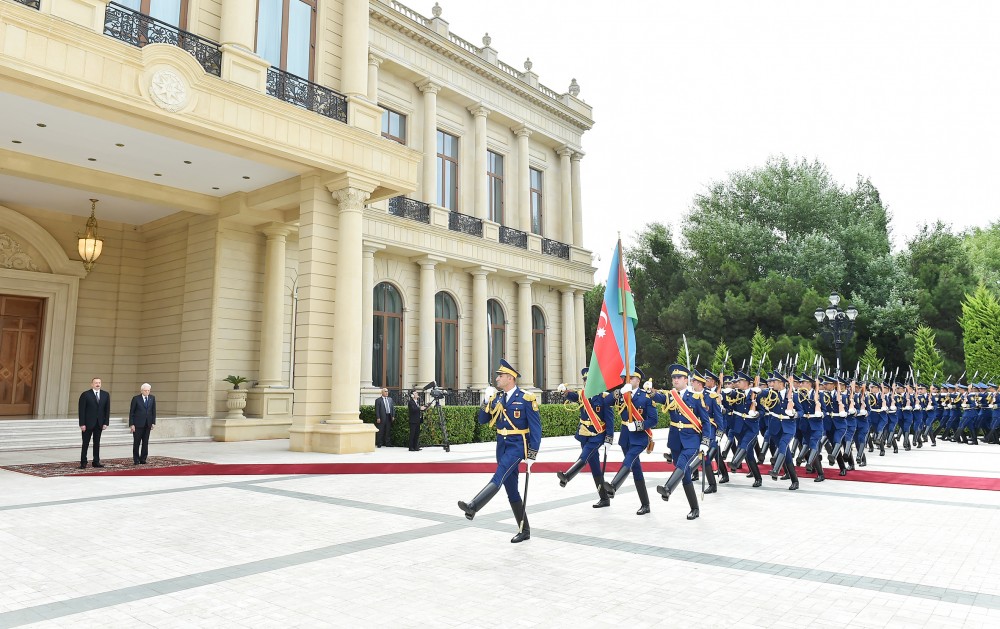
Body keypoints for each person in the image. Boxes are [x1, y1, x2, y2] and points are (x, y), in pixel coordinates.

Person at [458, 359, 542, 543]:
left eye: (500, 375)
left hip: (517, 446)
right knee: (511, 490)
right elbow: (482, 420)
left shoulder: (526, 398)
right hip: (501, 446)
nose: (497, 378)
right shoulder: (497, 398)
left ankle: (474, 505)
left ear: (511, 378)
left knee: (499, 474)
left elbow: (536, 428)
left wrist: (533, 453)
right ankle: (524, 530)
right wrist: (485, 400)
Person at [654, 364, 709, 519]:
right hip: (676, 441)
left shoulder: (696, 398)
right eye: (673, 378)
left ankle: (668, 488)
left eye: (679, 377)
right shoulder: (670, 396)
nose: (675, 380)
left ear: (686, 380)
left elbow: (706, 422)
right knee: (684, 474)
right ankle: (695, 508)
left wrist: (705, 441)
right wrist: (648, 390)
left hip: (691, 440)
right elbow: (656, 397)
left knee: (682, 464)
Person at [602, 367, 658, 515]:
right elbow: (605, 402)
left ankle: (614, 485)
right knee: (637, 470)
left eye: (630, 378)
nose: (626, 381)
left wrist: (639, 425)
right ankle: (645, 504)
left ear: (637, 380)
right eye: (625, 379)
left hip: (640, 437)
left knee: (629, 459)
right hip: (626, 437)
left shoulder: (645, 397)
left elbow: (654, 420)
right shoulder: (622, 394)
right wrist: (620, 391)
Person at [557, 367, 616, 508]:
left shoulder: (603, 397)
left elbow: (610, 419)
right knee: (595, 468)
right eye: (584, 380)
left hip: (597, 435)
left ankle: (567, 476)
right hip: (584, 435)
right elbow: (572, 396)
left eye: (589, 380)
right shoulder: (582, 395)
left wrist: (609, 438)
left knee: (584, 457)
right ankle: (604, 499)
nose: (586, 382)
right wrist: (564, 392)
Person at [78, 377, 110, 469]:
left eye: (99, 382)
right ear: (92, 384)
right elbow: (81, 410)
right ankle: (83, 462)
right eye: (96, 382)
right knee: (85, 443)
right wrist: (82, 424)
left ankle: (96, 461)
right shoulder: (85, 394)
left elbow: (107, 410)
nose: (97, 384)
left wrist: (105, 422)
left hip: (99, 423)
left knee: (97, 443)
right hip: (87, 424)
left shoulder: (105, 395)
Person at [128, 383, 156, 464]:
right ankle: (136, 459)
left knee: (145, 442)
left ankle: (143, 458)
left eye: (148, 390)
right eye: (145, 390)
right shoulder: (136, 399)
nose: (147, 392)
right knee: (136, 442)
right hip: (138, 424)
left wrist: (153, 422)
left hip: (148, 424)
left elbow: (153, 411)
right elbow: (131, 412)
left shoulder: (152, 398)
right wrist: (132, 424)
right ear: (141, 390)